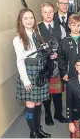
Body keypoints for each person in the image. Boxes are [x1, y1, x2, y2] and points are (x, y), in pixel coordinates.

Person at [13, 8, 51, 138]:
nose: (29, 20)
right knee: (30, 104)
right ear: (20, 21)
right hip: (29, 72)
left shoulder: (36, 33)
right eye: (25, 18)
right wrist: (26, 80)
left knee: (39, 103)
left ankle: (38, 128)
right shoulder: (18, 39)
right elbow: (20, 61)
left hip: (40, 72)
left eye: (31, 18)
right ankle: (32, 131)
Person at [38, 2, 67, 126]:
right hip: (44, 65)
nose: (48, 14)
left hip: (57, 65)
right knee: (46, 92)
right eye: (45, 12)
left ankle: (58, 114)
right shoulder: (37, 29)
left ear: (53, 12)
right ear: (41, 13)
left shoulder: (60, 27)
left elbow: (65, 44)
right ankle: (48, 115)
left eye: (50, 11)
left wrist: (58, 54)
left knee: (57, 92)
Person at [58, 14, 80, 82]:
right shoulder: (64, 41)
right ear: (69, 25)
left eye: (78, 25)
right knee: (71, 91)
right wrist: (63, 73)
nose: (76, 28)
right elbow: (61, 58)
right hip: (70, 73)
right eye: (73, 25)